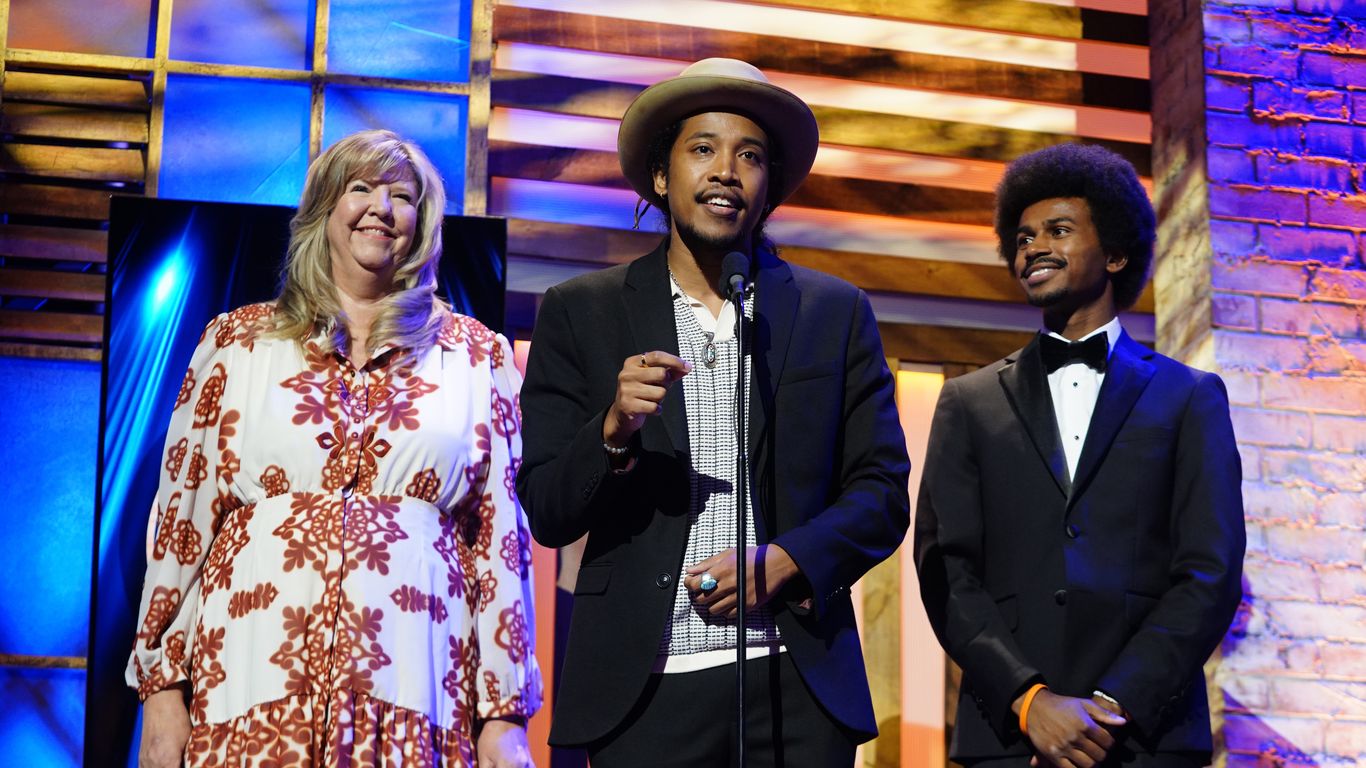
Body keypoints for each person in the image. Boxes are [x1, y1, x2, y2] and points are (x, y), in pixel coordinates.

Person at [515, 58, 911, 767]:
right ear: (662, 178)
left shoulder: (832, 312)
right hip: (642, 694)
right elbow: (546, 508)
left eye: (749, 156)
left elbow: (882, 493)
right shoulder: (582, 312)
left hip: (796, 686)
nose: (726, 170)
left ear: (770, 189)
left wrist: (789, 560)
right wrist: (611, 433)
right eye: (703, 149)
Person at [129, 129, 541, 767]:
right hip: (247, 685)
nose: (382, 207)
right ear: (324, 210)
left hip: (415, 687)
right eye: (362, 189)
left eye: (402, 196)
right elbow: (182, 524)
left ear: (422, 223)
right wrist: (162, 692)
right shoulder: (238, 345)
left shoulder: (476, 357)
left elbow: (500, 540)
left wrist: (504, 712)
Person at [914, 143, 1246, 768]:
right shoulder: (968, 401)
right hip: (1010, 737)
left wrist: (1108, 708)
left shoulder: (1189, 397)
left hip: (1145, 736)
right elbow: (946, 570)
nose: (1033, 246)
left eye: (1058, 230)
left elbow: (1209, 571)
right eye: (1021, 237)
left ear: (1116, 252)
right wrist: (1029, 700)